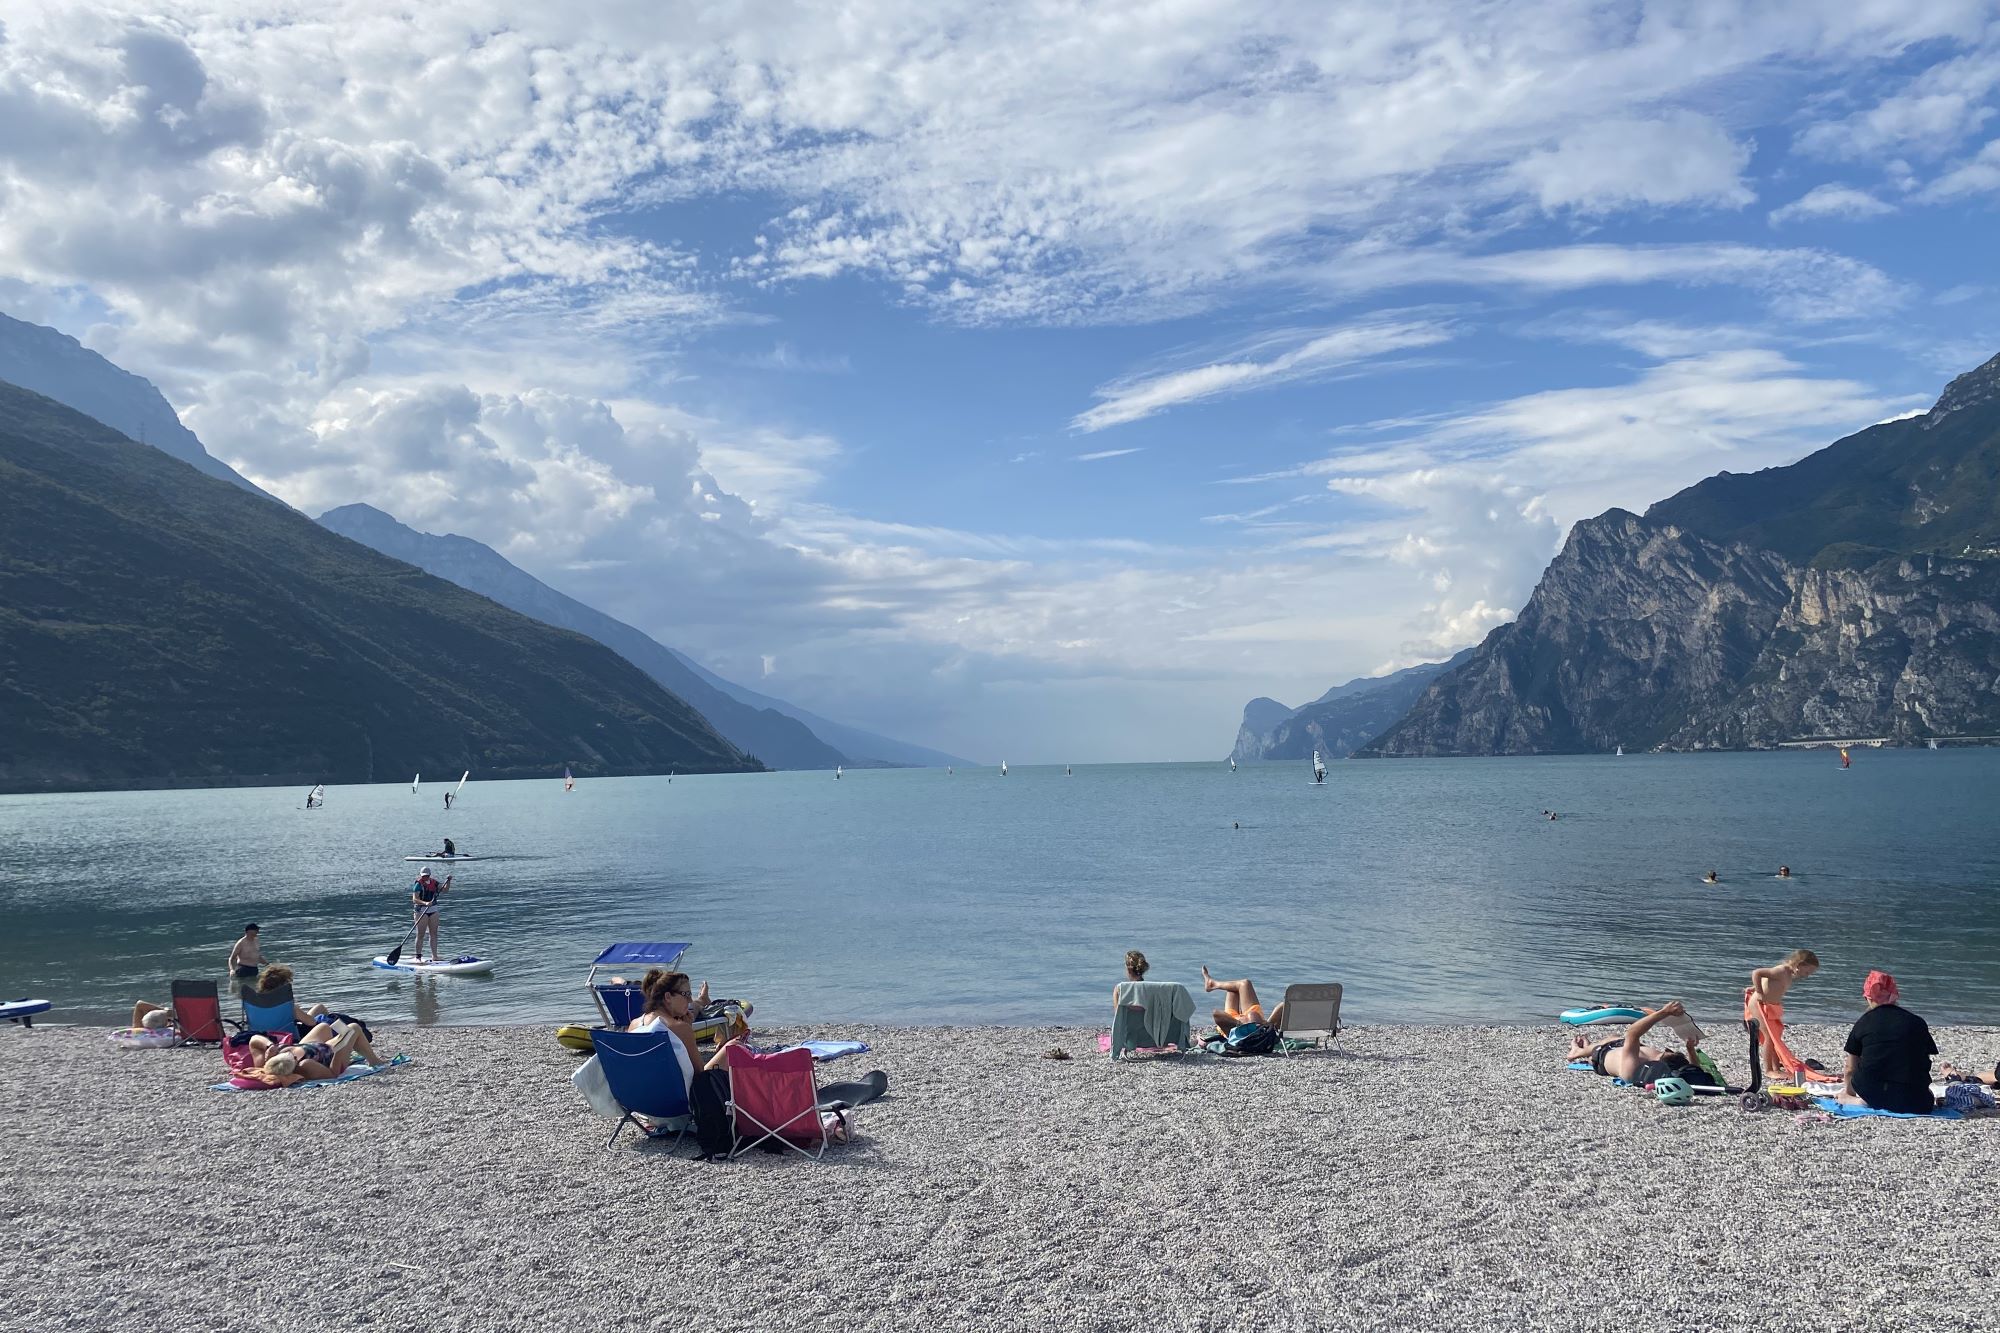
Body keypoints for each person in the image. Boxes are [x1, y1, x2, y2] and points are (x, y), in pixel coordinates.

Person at [1838, 971, 1937, 1115]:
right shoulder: (1917, 1022)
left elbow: (1849, 1068)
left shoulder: (1864, 1022)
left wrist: (1848, 1093)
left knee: (1860, 1093)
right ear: (1894, 996)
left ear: (1869, 998)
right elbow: (1922, 1061)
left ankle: (1859, 1102)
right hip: (1917, 1101)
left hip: (1875, 1094)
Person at [1567, 1001, 1715, 1086]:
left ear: (1661, 1059)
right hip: (1622, 1047)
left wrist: (1664, 1012)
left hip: (1601, 1056)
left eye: (1667, 1051)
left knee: (1611, 1040)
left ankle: (1577, 1052)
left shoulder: (1633, 1069)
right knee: (1615, 1037)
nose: (1665, 1049)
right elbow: (1694, 1068)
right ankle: (1586, 1046)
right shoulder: (1660, 1067)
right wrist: (1690, 1049)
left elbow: (1632, 1033)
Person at [1745, 948, 1820, 1077]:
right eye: (1807, 972)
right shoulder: (1781, 970)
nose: (1807, 975)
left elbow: (1769, 982)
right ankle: (1769, 1070)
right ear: (1800, 965)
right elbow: (1757, 973)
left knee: (1775, 1037)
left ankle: (1776, 1067)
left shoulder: (1788, 975)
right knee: (1769, 1037)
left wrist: (1754, 988)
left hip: (1771, 1007)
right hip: (1759, 1005)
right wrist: (1759, 992)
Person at [239, 964, 329, 1032]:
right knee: (320, 1008)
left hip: (261, 1039)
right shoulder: (288, 1006)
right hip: (289, 1039)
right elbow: (311, 1022)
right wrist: (296, 1009)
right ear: (283, 985)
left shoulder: (254, 1006)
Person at [1201, 965, 1287, 1032]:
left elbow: (1216, 1013)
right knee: (1242, 984)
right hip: (1256, 1023)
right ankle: (1212, 984)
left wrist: (1240, 1023)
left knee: (1235, 988)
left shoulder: (1238, 1034)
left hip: (1234, 1023)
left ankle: (1212, 984)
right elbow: (1283, 1006)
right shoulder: (1264, 1030)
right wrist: (1266, 1024)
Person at [410, 869, 451, 963]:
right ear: (421, 875)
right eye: (423, 876)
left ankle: (435, 956)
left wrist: (448, 881)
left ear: (429, 875)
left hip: (433, 910)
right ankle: (418, 957)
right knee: (420, 934)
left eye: (427, 876)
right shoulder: (418, 884)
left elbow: (445, 890)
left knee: (434, 934)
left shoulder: (434, 882)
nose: (425, 877)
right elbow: (415, 899)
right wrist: (425, 903)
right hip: (421, 911)